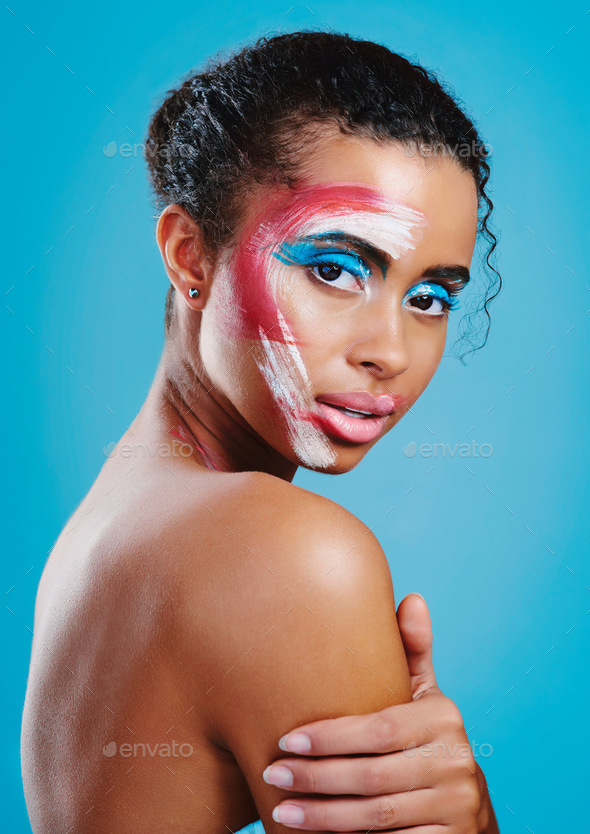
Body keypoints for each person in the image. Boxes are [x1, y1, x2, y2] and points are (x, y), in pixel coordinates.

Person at [21, 30, 500, 833]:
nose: (390, 352)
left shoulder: (117, 522)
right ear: (190, 254)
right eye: (335, 269)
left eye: (430, 297)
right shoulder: (285, 551)